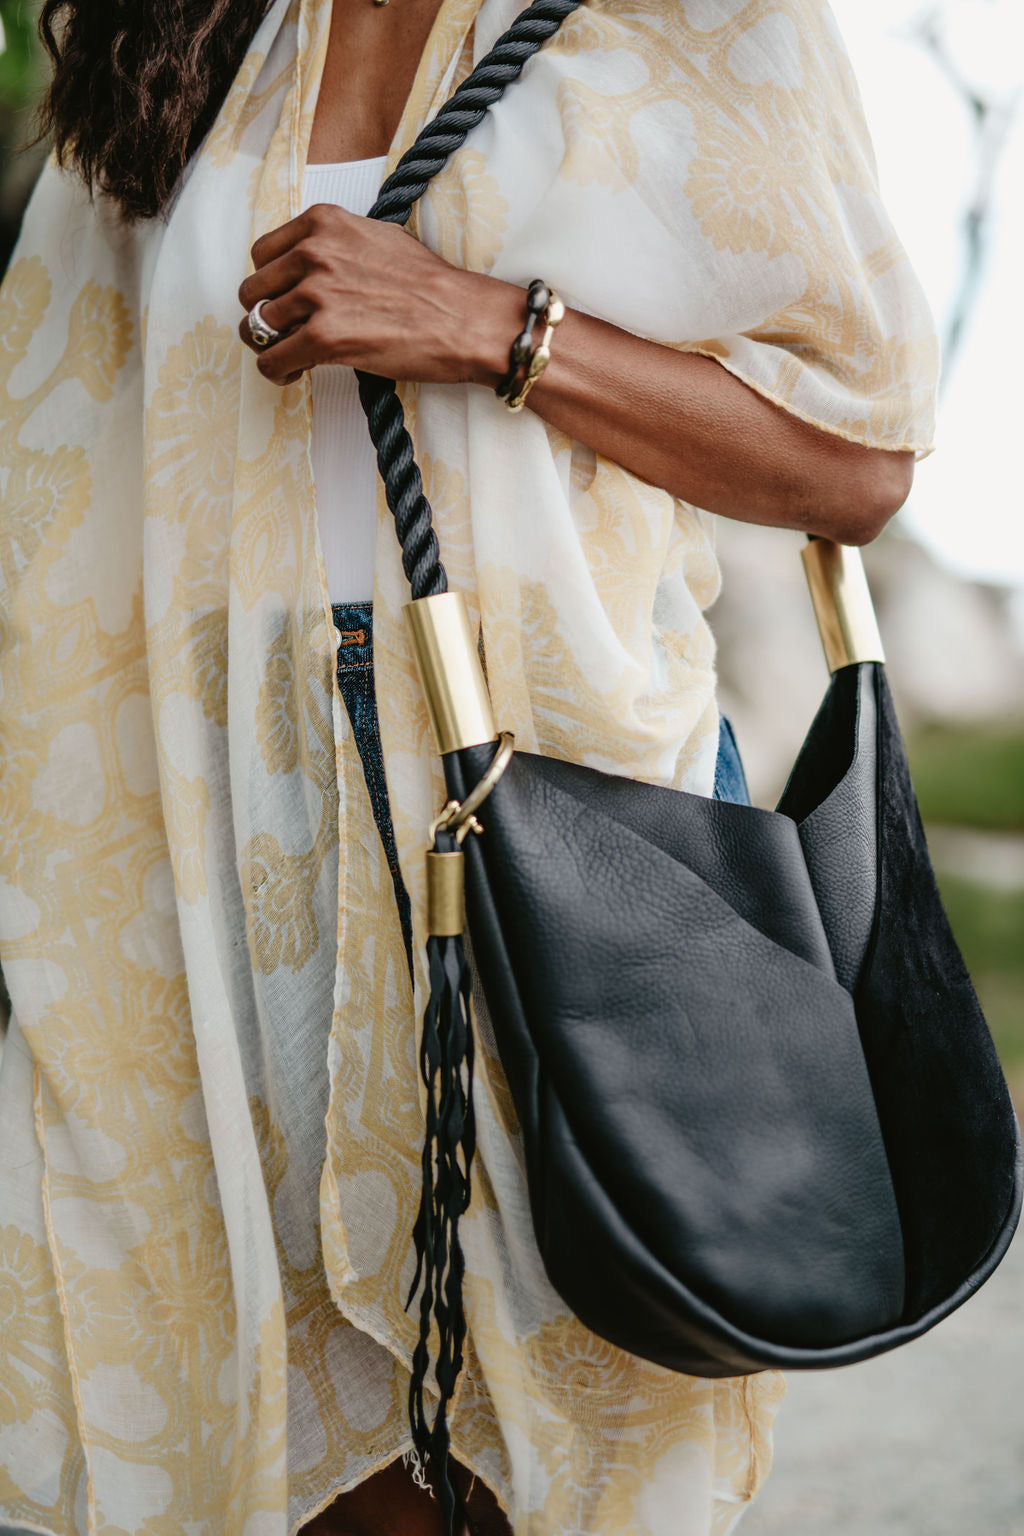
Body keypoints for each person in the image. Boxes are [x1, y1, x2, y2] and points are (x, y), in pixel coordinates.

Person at [0, 0, 937, 1530]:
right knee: (268, 1408)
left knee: (573, 1398)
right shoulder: (177, 36)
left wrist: (498, 327)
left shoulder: (696, 21)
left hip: (564, 800)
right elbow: (51, 457)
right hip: (212, 798)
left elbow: (853, 460)